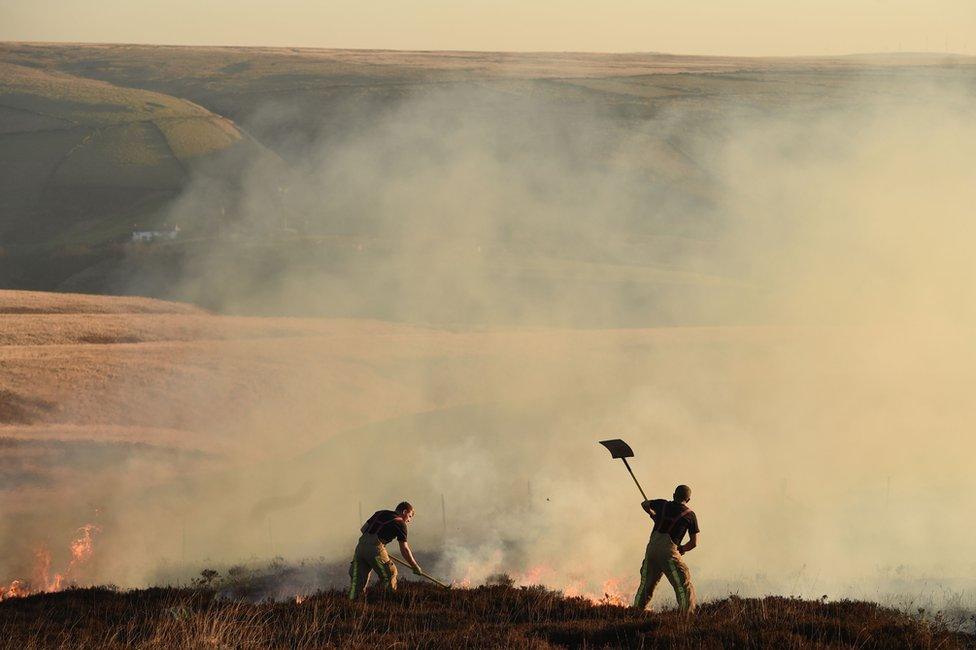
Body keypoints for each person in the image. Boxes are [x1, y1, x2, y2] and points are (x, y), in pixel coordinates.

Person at [632, 484, 698, 614]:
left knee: (646, 585)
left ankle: (636, 612)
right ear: (688, 500)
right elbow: (693, 543)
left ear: (673, 495)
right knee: (682, 585)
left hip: (651, 550)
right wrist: (682, 549)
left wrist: (652, 514)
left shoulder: (662, 504)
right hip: (669, 553)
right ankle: (687, 617)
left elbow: (644, 504)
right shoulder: (690, 515)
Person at [348, 501, 423, 600]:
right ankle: (389, 601)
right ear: (404, 512)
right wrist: (415, 566)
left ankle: (353, 605)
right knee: (390, 574)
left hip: (360, 547)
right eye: (410, 516)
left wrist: (372, 546)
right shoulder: (400, 523)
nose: (409, 520)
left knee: (358, 581)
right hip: (375, 549)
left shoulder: (380, 513)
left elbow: (363, 529)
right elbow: (404, 549)